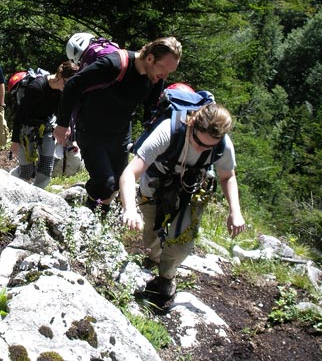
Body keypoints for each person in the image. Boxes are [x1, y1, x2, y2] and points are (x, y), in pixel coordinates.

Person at [119, 102, 246, 300]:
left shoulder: (223, 144)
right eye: (198, 141)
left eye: (208, 146)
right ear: (192, 123)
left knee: (183, 242)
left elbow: (227, 176)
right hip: (155, 183)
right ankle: (153, 258)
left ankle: (166, 277)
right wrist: (130, 209)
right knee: (151, 228)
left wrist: (235, 211)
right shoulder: (168, 131)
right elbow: (130, 172)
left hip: (191, 188)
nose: (200, 148)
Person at [54, 36, 182, 213]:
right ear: (150, 58)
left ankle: (97, 220)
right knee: (105, 184)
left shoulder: (154, 78)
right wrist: (62, 124)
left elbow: (151, 111)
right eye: (164, 69)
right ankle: (84, 214)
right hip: (91, 132)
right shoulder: (114, 64)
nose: (166, 76)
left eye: (170, 72)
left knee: (119, 183)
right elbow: (73, 85)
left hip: (120, 134)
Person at [11, 61, 79, 188]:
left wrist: (72, 139)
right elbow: (20, 115)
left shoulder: (62, 91)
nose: (67, 87)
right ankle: (8, 181)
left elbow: (65, 115)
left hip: (47, 128)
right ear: (59, 75)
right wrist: (15, 141)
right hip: (26, 130)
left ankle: (38, 195)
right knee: (26, 172)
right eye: (66, 82)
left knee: (46, 167)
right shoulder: (36, 87)